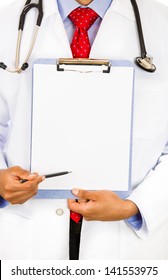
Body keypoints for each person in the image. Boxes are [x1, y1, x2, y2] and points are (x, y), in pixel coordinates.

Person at [0, 0, 168, 260]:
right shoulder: (6, 21)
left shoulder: (162, 22)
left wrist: (134, 207)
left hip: (128, 245)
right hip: (27, 238)